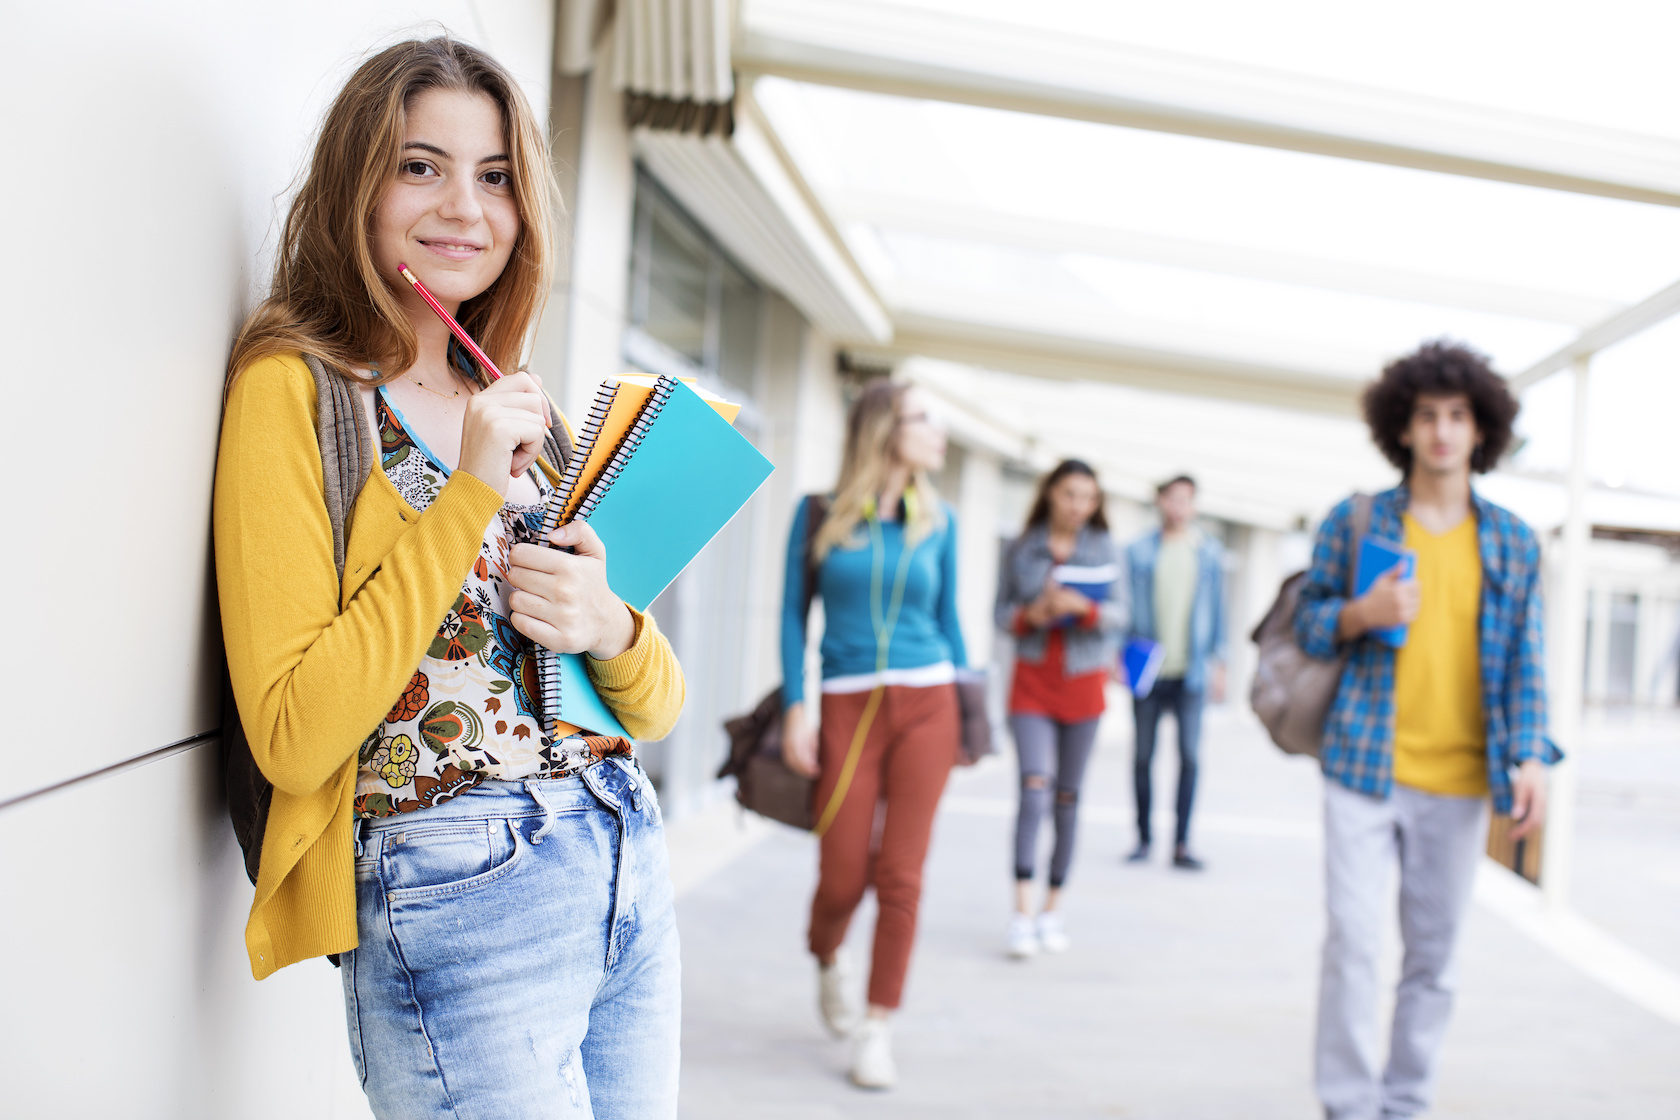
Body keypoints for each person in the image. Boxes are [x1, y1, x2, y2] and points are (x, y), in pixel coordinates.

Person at [214, 39, 686, 1119]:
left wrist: (610, 623)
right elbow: (291, 729)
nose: (464, 208)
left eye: (495, 176)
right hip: (459, 886)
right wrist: (468, 490)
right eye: (421, 167)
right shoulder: (298, 386)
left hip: (619, 846)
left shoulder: (525, 408)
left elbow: (658, 702)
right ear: (358, 183)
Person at [1295, 341, 1558, 1120]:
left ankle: (1404, 1103)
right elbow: (1303, 624)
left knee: (1433, 961)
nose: (1442, 431)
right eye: (1426, 416)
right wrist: (1358, 614)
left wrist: (1532, 756)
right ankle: (1347, 1104)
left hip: (1461, 779)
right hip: (1363, 766)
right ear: (1401, 429)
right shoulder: (1358, 521)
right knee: (1352, 944)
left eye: (1457, 416)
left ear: (1481, 430)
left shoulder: (1511, 539)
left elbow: (1525, 658)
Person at [779, 380, 967, 1090]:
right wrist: (799, 705)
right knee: (843, 873)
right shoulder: (821, 513)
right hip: (848, 706)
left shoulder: (938, 520)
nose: (937, 434)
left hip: (928, 703)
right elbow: (792, 615)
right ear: (885, 429)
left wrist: (973, 713)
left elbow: (950, 620)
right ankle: (827, 952)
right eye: (925, 419)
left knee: (902, 873)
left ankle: (877, 1023)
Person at [995, 460, 1126, 958]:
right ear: (1050, 493)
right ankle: (1021, 913)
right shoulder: (1021, 546)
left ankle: (1052, 909)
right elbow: (1000, 614)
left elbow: (1121, 614)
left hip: (1083, 688)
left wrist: (1083, 610)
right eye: (1070, 495)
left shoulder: (1104, 549)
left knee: (1067, 799)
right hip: (1031, 685)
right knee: (1033, 790)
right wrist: (1031, 615)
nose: (1078, 506)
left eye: (1088, 498)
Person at [1124, 475, 1226, 870]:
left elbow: (1218, 610)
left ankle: (1182, 843)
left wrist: (1221, 662)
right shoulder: (1138, 551)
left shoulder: (1209, 553)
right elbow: (1128, 608)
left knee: (1189, 757)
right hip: (1147, 669)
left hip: (1192, 672)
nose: (1179, 506)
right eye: (1173, 498)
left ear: (1194, 506)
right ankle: (1143, 839)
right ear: (1160, 501)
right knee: (1142, 757)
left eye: (1187, 500)